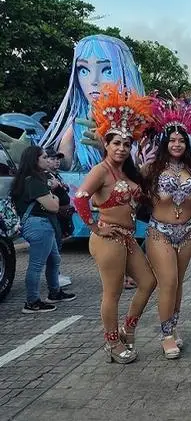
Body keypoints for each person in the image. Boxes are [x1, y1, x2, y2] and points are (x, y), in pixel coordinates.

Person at [72, 84, 157, 364]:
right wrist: (95, 227)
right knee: (113, 292)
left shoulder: (125, 171)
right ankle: (111, 343)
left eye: (126, 143)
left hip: (128, 238)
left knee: (148, 282)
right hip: (108, 238)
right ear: (105, 144)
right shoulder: (100, 170)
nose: (122, 148)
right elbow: (80, 198)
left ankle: (127, 329)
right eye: (116, 143)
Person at [139, 98, 191, 358]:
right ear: (165, 144)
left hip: (187, 232)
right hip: (160, 232)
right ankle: (166, 335)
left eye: (181, 140)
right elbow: (131, 183)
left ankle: (174, 327)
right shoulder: (151, 169)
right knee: (167, 282)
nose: (177, 144)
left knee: (178, 283)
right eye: (172, 141)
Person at [40, 35, 144, 171]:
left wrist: (108, 148)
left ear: (125, 73)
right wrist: (30, 156)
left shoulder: (138, 123)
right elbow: (64, 164)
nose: (93, 80)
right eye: (83, 70)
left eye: (107, 70)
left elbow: (143, 171)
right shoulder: (78, 124)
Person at [11, 146, 76, 314]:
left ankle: (54, 292)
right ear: (35, 160)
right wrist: (53, 194)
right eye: (45, 157)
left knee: (54, 260)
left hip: (41, 224)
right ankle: (32, 302)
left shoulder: (33, 179)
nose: (49, 160)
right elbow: (54, 206)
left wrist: (52, 194)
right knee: (37, 264)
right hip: (38, 225)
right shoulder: (33, 180)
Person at [45, 148, 74, 288]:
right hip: (52, 216)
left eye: (58, 159)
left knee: (57, 245)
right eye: (52, 159)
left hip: (60, 217)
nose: (57, 161)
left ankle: (56, 274)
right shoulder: (45, 176)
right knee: (53, 247)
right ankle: (54, 276)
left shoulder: (55, 175)